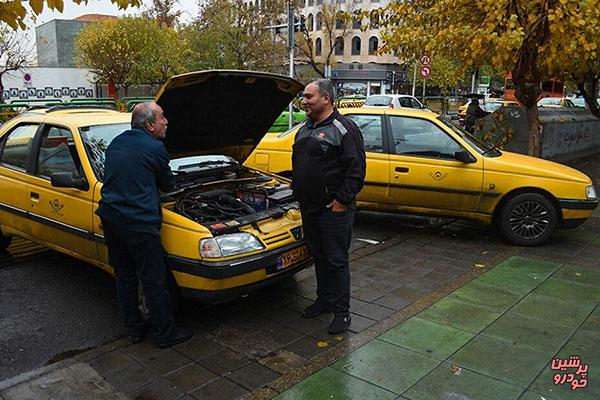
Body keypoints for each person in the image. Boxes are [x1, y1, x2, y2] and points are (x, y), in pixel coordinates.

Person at [96, 102, 192, 349]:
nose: (167, 122)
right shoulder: (155, 147)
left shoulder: (116, 143)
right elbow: (168, 186)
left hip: (111, 218)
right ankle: (165, 334)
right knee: (153, 280)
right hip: (139, 223)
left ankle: (135, 330)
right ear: (150, 125)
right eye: (162, 118)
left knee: (125, 277)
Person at [292, 79, 366, 334]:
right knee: (319, 257)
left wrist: (341, 202)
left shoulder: (344, 128)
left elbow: (356, 171)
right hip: (309, 207)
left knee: (336, 260)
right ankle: (324, 301)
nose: (304, 101)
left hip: (333, 210)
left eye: (309, 96)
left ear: (326, 99)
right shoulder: (304, 128)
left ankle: (342, 313)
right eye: (304, 96)